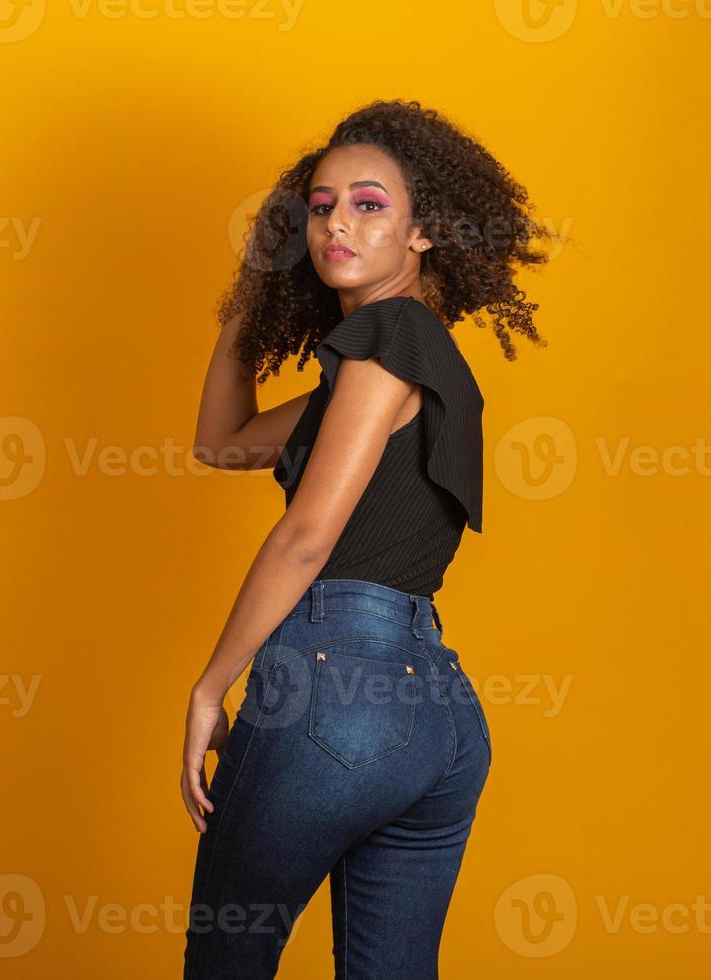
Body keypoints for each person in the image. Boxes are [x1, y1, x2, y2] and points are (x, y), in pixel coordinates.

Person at [183, 98, 553, 979]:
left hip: (335, 686)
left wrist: (211, 684)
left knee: (226, 963)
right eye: (318, 206)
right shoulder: (407, 365)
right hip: (438, 717)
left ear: (424, 232)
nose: (337, 222)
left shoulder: (389, 336)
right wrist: (252, 295)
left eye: (370, 203)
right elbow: (224, 442)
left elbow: (308, 536)